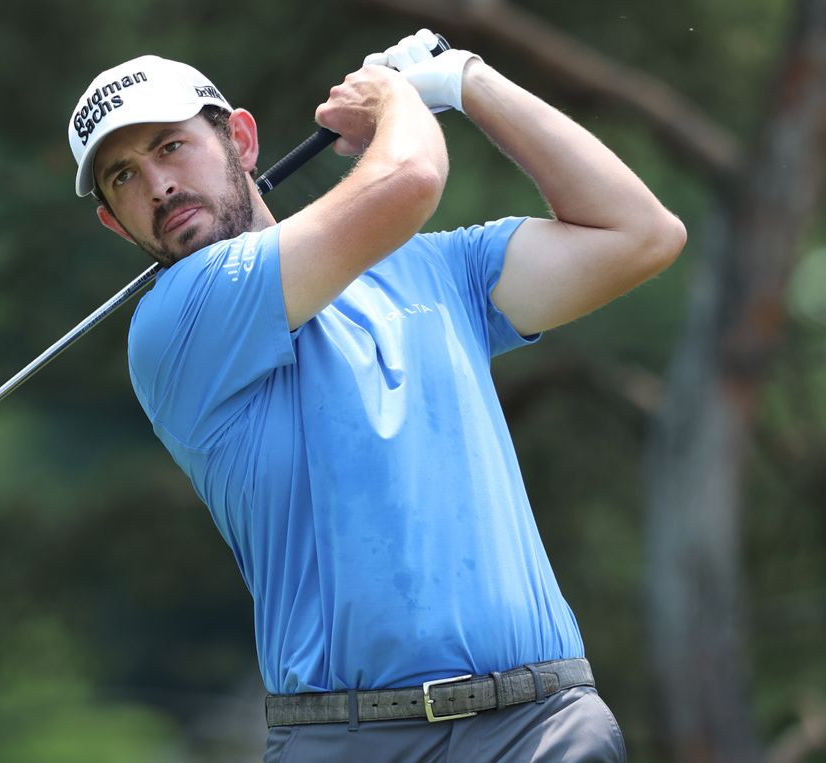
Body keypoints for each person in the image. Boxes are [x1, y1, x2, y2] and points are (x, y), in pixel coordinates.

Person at [66, 29, 685, 761]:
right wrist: (399, 98)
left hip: (543, 725)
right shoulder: (175, 322)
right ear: (113, 219)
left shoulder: (438, 270)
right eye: (123, 178)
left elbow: (641, 232)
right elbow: (410, 180)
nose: (159, 186)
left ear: (239, 138)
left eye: (171, 147)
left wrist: (466, 81)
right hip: (350, 737)